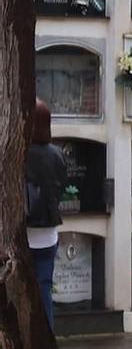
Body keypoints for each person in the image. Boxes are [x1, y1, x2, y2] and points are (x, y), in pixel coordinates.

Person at [24, 100, 66, 323]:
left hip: (23, 232)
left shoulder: (18, 153)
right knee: (43, 294)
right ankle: (46, 344)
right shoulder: (57, 154)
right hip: (48, 234)